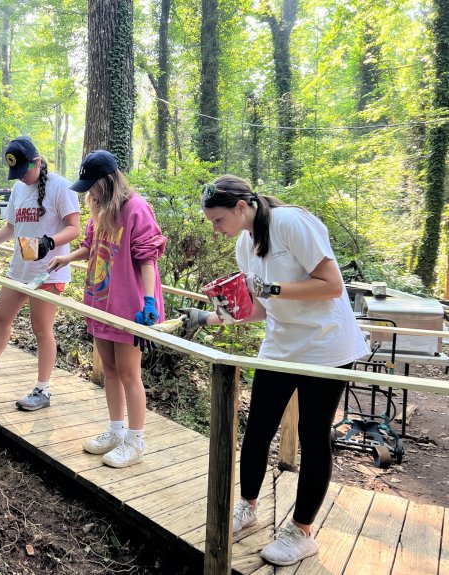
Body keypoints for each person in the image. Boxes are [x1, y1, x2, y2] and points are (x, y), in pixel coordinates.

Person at [196, 174, 368, 566]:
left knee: (312, 433)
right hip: (281, 344)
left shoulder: (291, 223)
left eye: (218, 220)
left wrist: (271, 288)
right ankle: (248, 505)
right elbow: (257, 310)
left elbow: (332, 285)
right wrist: (211, 313)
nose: (215, 229)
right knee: (257, 429)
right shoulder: (245, 243)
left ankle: (302, 531)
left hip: (326, 345)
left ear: (242, 207)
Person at [48, 150, 166, 469]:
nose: (88, 192)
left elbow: (148, 258)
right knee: (110, 371)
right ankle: (115, 432)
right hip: (102, 301)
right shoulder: (99, 209)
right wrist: (67, 258)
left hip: (130, 307)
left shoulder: (136, 208)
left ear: (108, 181)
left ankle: (135, 441)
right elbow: (91, 246)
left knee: (129, 373)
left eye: (92, 185)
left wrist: (150, 302)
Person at [0, 136, 80, 411]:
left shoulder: (60, 186)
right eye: (16, 174)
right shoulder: (20, 191)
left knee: (41, 329)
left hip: (49, 271)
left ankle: (43, 391)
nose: (21, 178)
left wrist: (51, 241)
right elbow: (10, 229)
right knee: (0, 318)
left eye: (24, 172)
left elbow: (74, 228)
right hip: (20, 269)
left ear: (36, 162)